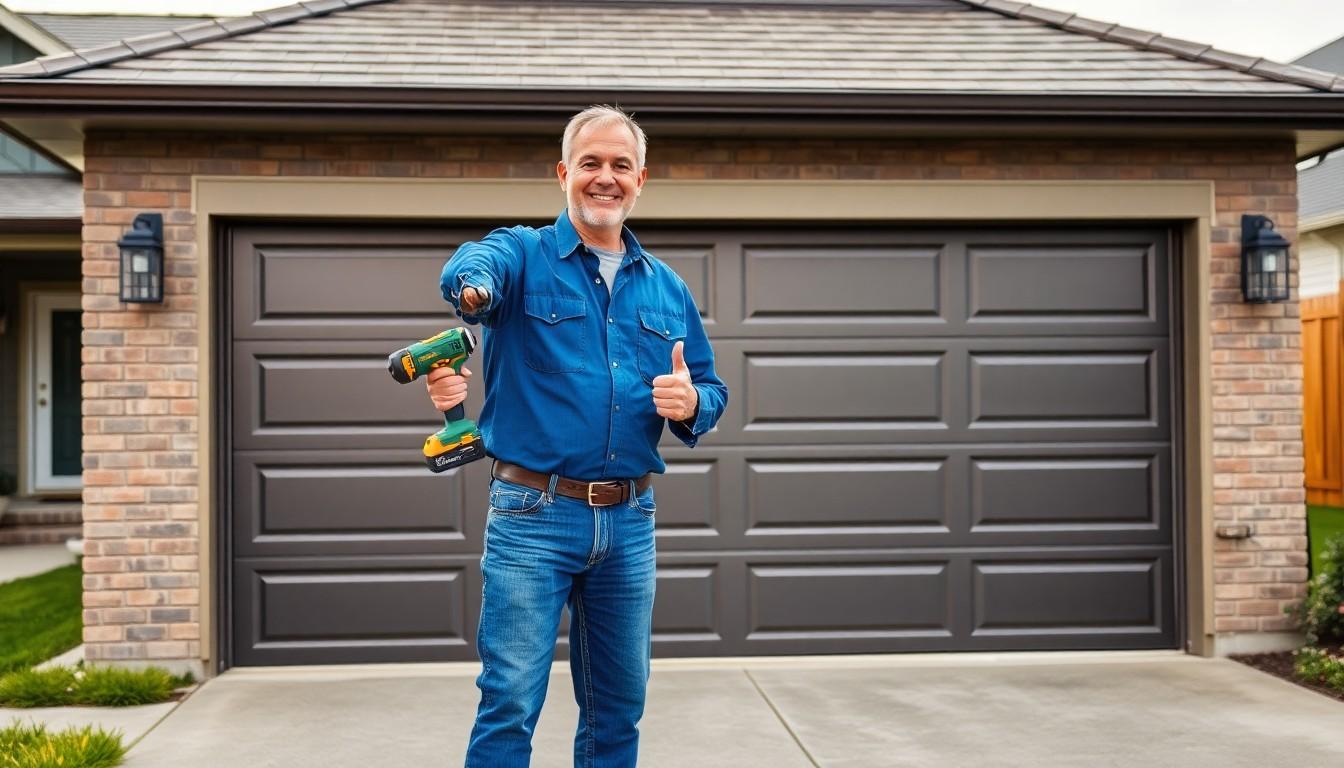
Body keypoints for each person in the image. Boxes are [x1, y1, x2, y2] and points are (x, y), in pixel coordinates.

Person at [428, 105, 728, 768]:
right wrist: (475, 292)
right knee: (509, 701)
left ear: (640, 179)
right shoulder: (523, 255)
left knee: (620, 706)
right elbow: (473, 268)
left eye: (620, 165)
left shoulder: (666, 288)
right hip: (533, 516)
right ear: (564, 172)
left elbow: (711, 391)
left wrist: (691, 401)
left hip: (629, 522)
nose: (605, 177)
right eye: (590, 162)